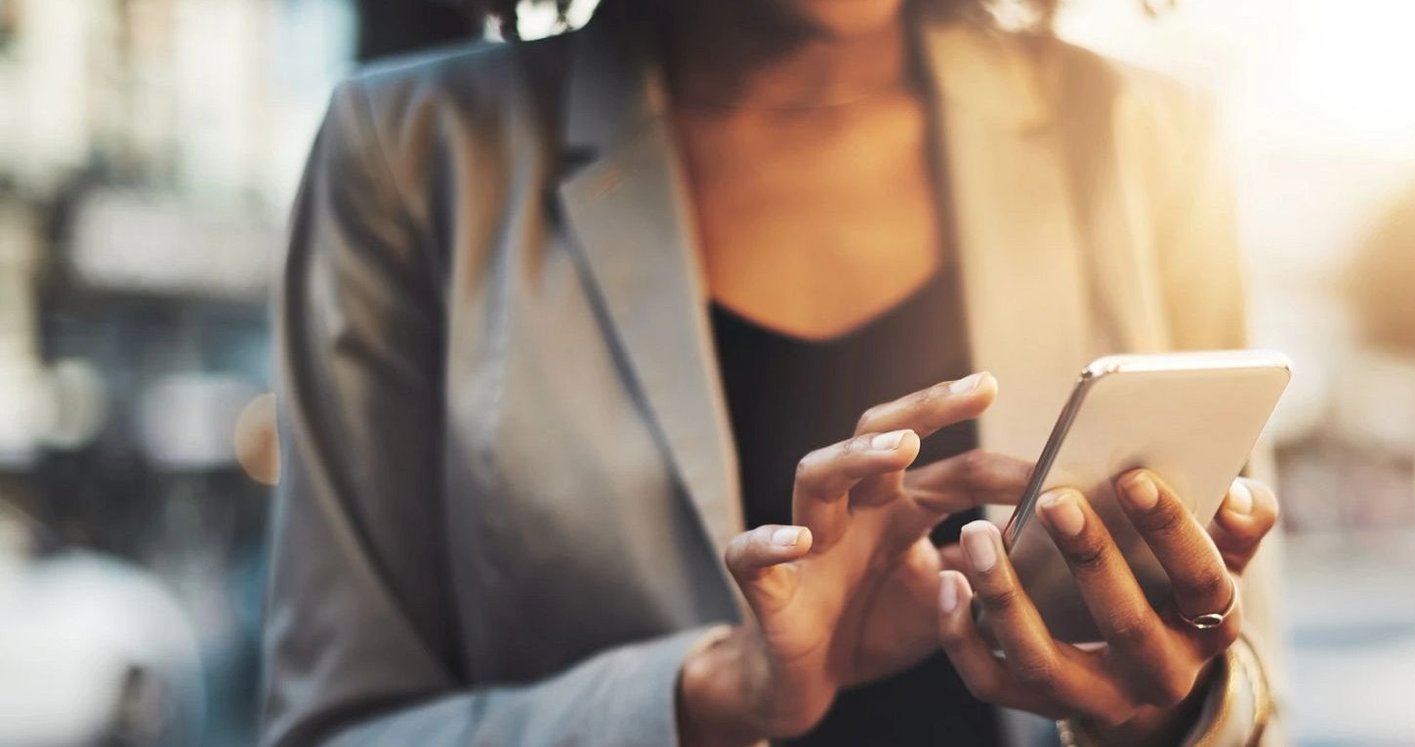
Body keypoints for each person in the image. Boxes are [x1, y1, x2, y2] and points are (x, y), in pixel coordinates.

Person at [260, 0, 1287, 744]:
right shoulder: (409, 153)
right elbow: (339, 726)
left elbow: (1255, 691)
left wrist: (1170, 718)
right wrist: (713, 697)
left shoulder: (1139, 135)